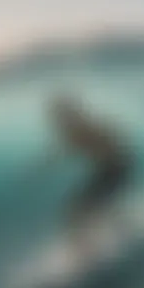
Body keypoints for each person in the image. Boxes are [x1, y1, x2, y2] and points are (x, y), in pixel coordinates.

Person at [31, 94, 134, 259]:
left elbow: (114, 142)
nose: (55, 121)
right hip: (108, 169)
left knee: (79, 209)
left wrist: (114, 153)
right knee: (87, 208)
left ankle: (88, 251)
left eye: (58, 115)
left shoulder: (82, 127)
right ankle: (119, 233)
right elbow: (58, 154)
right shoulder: (73, 131)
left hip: (116, 169)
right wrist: (37, 170)